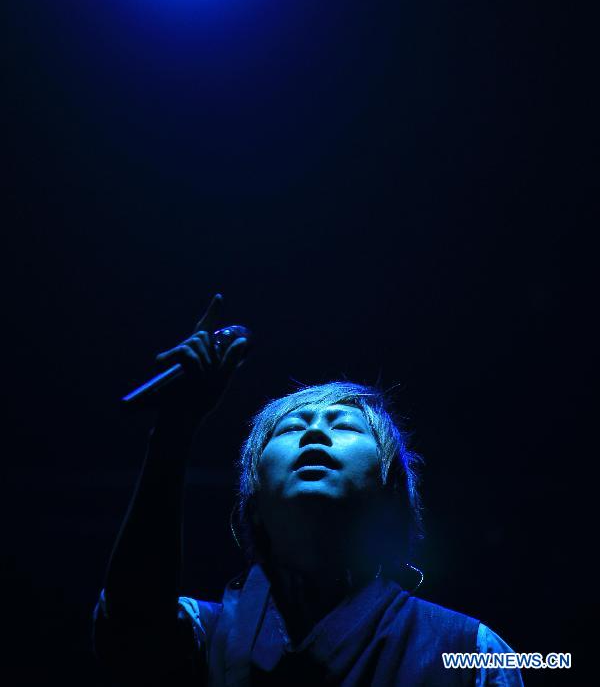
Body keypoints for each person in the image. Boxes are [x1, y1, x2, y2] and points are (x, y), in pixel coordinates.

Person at [93, 294, 523, 686]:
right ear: (255, 501)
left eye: (343, 426)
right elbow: (133, 626)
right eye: (292, 427)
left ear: (391, 493)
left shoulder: (472, 654)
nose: (313, 434)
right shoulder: (202, 634)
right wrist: (174, 429)